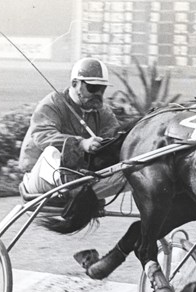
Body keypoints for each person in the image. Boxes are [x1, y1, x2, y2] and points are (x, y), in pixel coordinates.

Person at [19, 57, 127, 199]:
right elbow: (43, 136)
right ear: (75, 84)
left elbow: (115, 138)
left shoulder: (102, 112)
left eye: (102, 88)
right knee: (51, 152)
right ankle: (72, 186)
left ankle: (76, 188)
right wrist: (81, 143)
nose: (98, 94)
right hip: (38, 178)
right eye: (93, 88)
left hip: (79, 177)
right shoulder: (51, 104)